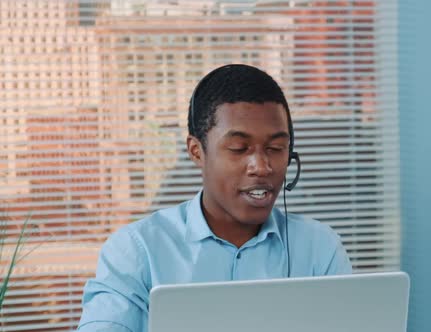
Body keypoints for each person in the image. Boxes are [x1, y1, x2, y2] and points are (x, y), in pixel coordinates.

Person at [77, 64, 352, 331]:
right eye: (238, 148)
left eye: (276, 147)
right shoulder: (137, 251)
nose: (261, 166)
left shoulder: (319, 248)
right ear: (197, 151)